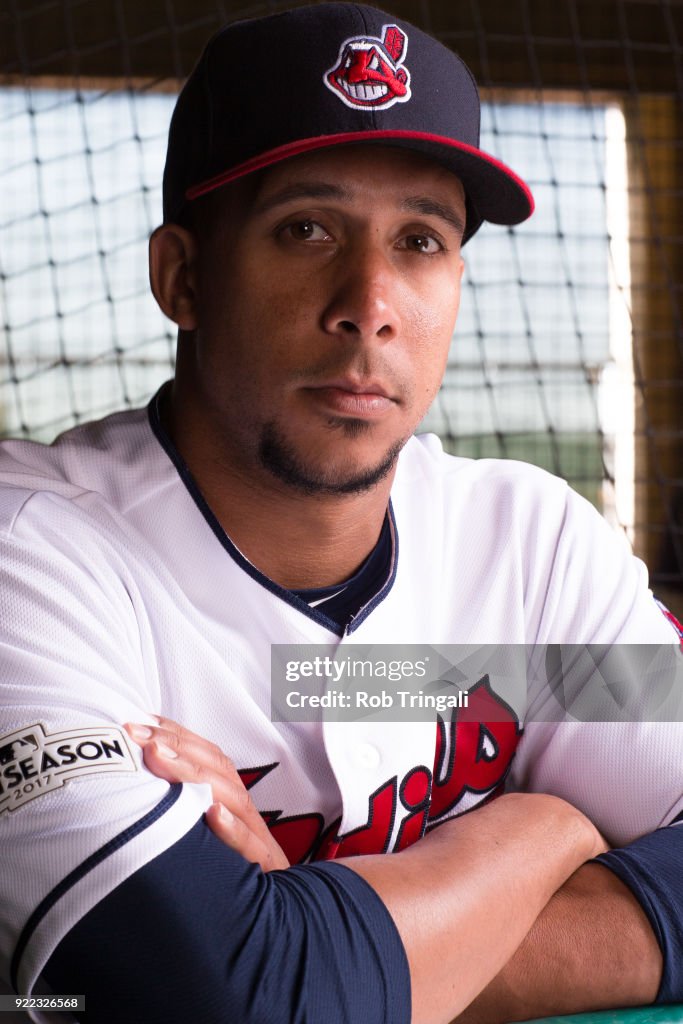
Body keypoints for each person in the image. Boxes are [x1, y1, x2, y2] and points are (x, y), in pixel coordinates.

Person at [1, 4, 682, 1022]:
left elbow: (281, 979)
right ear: (181, 277)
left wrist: (319, 932)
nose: (369, 300)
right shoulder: (34, 554)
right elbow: (219, 995)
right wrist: (537, 829)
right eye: (306, 228)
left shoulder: (530, 545)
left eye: (418, 238)